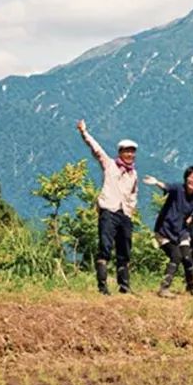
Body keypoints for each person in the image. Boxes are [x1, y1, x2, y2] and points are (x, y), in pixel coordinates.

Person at [77, 119, 138, 295]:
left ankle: (124, 285)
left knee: (124, 249)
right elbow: (95, 149)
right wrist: (84, 132)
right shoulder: (110, 164)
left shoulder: (133, 173)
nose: (130, 155)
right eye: (127, 152)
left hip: (124, 214)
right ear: (120, 153)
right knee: (105, 246)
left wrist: (131, 209)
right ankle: (102, 286)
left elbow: (134, 192)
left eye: (132, 153)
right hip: (109, 211)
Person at [143, 166, 193, 298]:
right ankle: (164, 288)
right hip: (164, 230)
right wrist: (156, 182)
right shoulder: (178, 188)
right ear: (186, 178)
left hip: (181, 231)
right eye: (191, 177)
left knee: (188, 257)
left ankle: (192, 288)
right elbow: (167, 187)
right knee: (176, 256)